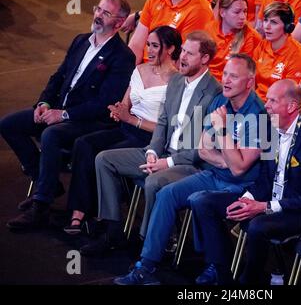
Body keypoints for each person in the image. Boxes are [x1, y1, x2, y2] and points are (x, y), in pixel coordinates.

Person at [113, 53, 267, 285]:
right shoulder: (220, 102)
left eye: (233, 76)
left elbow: (239, 170)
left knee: (199, 199)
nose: (225, 80)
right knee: (167, 194)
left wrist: (223, 133)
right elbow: (204, 149)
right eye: (225, 73)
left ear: (249, 82)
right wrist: (228, 159)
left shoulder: (260, 115)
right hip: (214, 174)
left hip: (241, 187)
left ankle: (215, 266)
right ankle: (146, 265)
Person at [0, 0, 135, 230]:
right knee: (9, 124)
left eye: (106, 13)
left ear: (120, 22)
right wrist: (44, 104)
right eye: (98, 9)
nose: (98, 16)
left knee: (51, 135)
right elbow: (58, 77)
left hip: (90, 120)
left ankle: (41, 206)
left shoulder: (122, 57)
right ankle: (46, 182)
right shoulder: (81, 40)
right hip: (60, 110)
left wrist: (63, 115)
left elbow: (105, 102)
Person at [78, 31, 222, 255]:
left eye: (189, 54)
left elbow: (200, 148)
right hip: (161, 152)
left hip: (189, 163)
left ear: (205, 59)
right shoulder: (176, 81)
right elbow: (163, 123)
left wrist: (167, 162)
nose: (182, 57)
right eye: (183, 50)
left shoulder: (214, 93)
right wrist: (153, 151)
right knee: (104, 159)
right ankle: (113, 231)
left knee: (154, 180)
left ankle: (150, 243)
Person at [190, 79, 301, 285]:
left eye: (272, 101)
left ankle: (249, 283)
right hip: (271, 199)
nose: (266, 105)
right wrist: (246, 199)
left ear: (291, 107)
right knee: (204, 202)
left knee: (258, 225)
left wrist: (263, 207)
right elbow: (265, 178)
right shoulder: (272, 126)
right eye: (267, 99)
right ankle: (222, 274)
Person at [63, 26, 182, 234]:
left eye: (155, 46)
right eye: (148, 45)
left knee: (102, 156)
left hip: (149, 139)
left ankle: (107, 220)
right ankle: (79, 211)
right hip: (126, 127)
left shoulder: (176, 82)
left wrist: (132, 119)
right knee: (84, 143)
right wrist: (119, 110)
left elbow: (168, 128)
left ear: (171, 49)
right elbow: (126, 102)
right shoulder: (140, 69)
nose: (149, 50)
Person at [126, 0, 214, 64]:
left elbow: (181, 63)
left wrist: (146, 76)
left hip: (167, 76)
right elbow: (136, 45)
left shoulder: (199, 12)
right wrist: (126, 71)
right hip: (144, 70)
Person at [253, 1, 301, 102]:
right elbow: (251, 80)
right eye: (266, 20)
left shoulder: (299, 56)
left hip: (277, 110)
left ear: (288, 27)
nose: (267, 26)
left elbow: (289, 99)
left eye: (274, 22)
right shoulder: (262, 45)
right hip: (256, 103)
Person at [205, 0, 261, 81]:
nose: (243, 16)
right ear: (222, 12)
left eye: (245, 11)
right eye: (237, 12)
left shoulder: (252, 37)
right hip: (207, 82)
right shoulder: (209, 29)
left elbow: (245, 75)